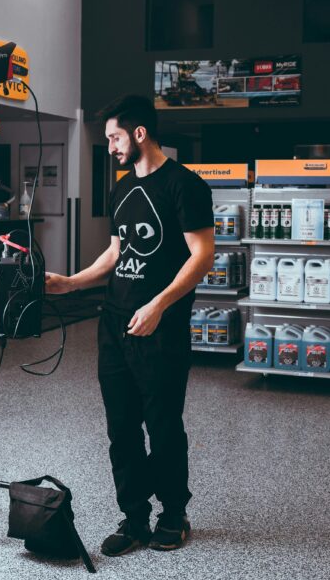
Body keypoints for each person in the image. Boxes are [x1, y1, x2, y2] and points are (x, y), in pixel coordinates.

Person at [46, 94, 215, 556]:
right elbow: (118, 253)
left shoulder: (186, 186)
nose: (111, 147)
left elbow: (202, 256)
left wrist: (159, 304)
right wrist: (71, 282)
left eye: (115, 137)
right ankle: (135, 516)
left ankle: (173, 514)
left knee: (162, 426)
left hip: (161, 328)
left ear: (140, 133)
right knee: (121, 427)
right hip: (115, 326)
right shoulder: (122, 187)